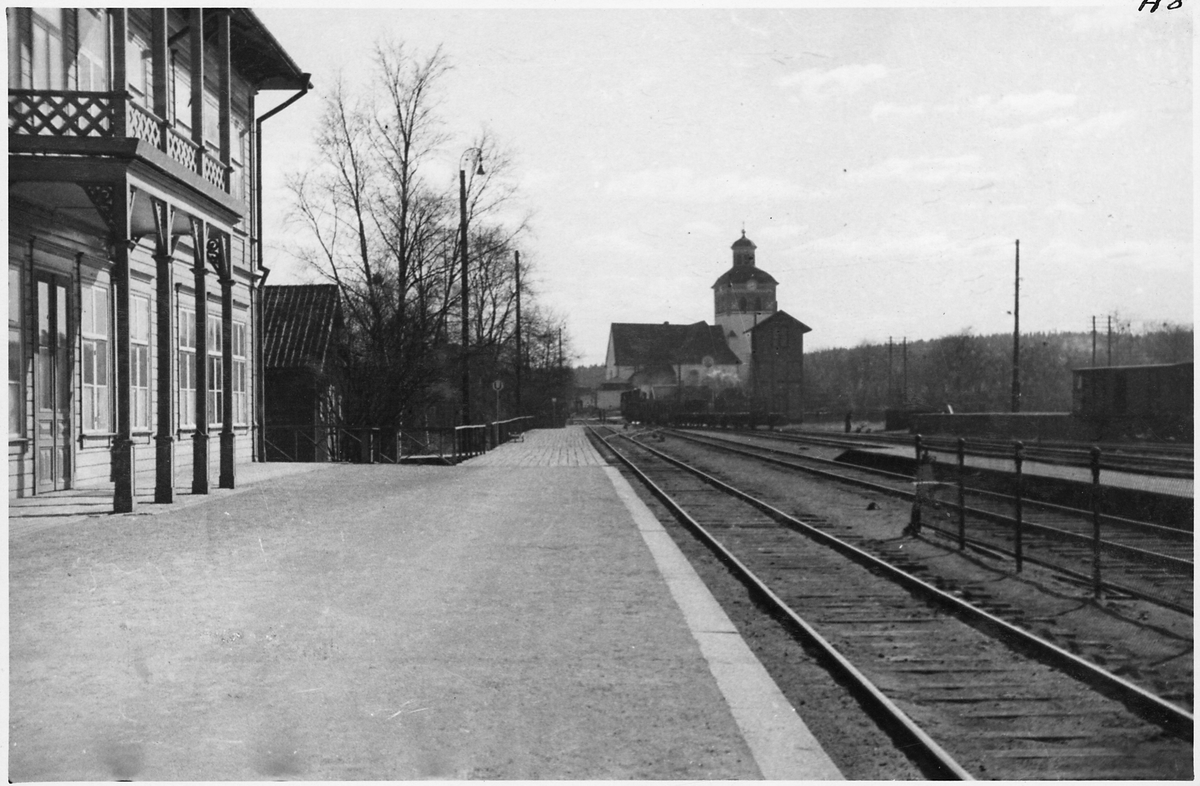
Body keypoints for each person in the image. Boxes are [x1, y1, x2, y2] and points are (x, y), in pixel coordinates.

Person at [904, 450, 937, 536]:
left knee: (916, 508)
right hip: (924, 491)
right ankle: (916, 526)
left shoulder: (923, 468)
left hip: (922, 491)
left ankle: (915, 526)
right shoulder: (927, 468)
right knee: (917, 508)